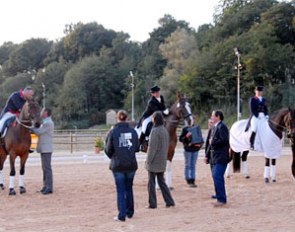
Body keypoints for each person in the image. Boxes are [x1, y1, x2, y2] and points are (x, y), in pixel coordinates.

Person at [105, 110, 139, 222]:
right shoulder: (133, 132)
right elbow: (137, 148)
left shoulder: (113, 132)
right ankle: (130, 212)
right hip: (131, 164)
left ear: (117, 118)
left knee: (120, 190)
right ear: (127, 118)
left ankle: (122, 214)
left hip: (118, 165)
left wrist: (113, 157)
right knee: (129, 188)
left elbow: (108, 149)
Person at [145, 111, 175, 209]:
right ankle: (169, 201)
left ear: (155, 120)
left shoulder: (155, 131)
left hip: (154, 161)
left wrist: (148, 161)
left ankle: (152, 203)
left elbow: (152, 148)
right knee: (162, 182)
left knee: (151, 183)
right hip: (162, 160)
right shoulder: (164, 130)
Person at [204, 110, 230, 207]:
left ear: (218, 117)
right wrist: (206, 155)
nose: (211, 118)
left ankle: (221, 199)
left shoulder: (222, 127)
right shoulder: (214, 127)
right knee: (215, 177)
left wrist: (214, 141)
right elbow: (208, 143)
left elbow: (224, 140)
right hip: (213, 157)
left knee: (217, 176)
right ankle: (219, 194)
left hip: (220, 157)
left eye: (213, 116)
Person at [31, 108, 54, 195]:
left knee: (47, 168)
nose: (41, 112)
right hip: (44, 148)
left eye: (42, 111)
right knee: (44, 168)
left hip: (46, 149)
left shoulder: (48, 123)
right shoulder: (45, 122)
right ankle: (46, 186)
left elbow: (39, 132)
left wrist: (31, 128)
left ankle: (49, 187)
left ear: (46, 113)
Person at [179, 117, 204, 187]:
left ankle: (192, 180)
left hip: (195, 149)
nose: (192, 121)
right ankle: (188, 179)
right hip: (187, 150)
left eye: (193, 120)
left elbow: (200, 138)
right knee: (188, 165)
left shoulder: (197, 128)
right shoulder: (185, 129)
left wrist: (200, 144)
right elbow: (181, 139)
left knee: (193, 165)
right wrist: (186, 136)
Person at [249, 86, 269, 150]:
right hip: (255, 116)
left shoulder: (264, 99)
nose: (259, 92)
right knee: (254, 129)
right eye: (258, 91)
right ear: (255, 91)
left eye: (260, 91)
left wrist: (266, 115)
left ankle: (265, 143)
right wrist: (257, 115)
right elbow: (252, 109)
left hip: (263, 116)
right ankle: (251, 143)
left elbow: (265, 108)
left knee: (266, 128)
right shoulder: (253, 99)